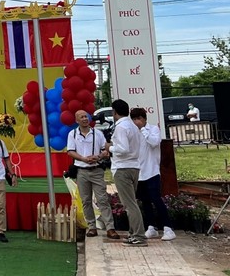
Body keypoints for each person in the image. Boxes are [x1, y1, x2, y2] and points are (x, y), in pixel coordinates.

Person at [66, 110, 119, 239]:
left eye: (86, 116)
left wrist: (98, 156)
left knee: (102, 199)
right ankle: (91, 226)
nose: (85, 119)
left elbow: (105, 150)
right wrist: (83, 159)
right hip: (82, 171)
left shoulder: (98, 133)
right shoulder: (73, 134)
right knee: (86, 200)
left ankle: (110, 227)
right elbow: (70, 151)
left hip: (96, 170)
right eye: (81, 117)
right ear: (76, 120)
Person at [130, 108, 176, 241]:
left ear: (144, 119)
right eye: (134, 119)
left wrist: (143, 130)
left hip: (152, 171)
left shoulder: (153, 130)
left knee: (156, 199)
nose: (137, 122)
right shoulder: (133, 133)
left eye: (139, 118)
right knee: (145, 201)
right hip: (139, 171)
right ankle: (151, 227)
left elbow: (154, 142)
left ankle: (168, 228)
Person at [106, 99, 146, 246]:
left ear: (114, 112)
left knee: (130, 204)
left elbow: (123, 149)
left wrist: (109, 148)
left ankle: (138, 236)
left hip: (123, 167)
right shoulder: (132, 126)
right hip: (134, 166)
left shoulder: (121, 127)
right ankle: (133, 233)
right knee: (131, 203)